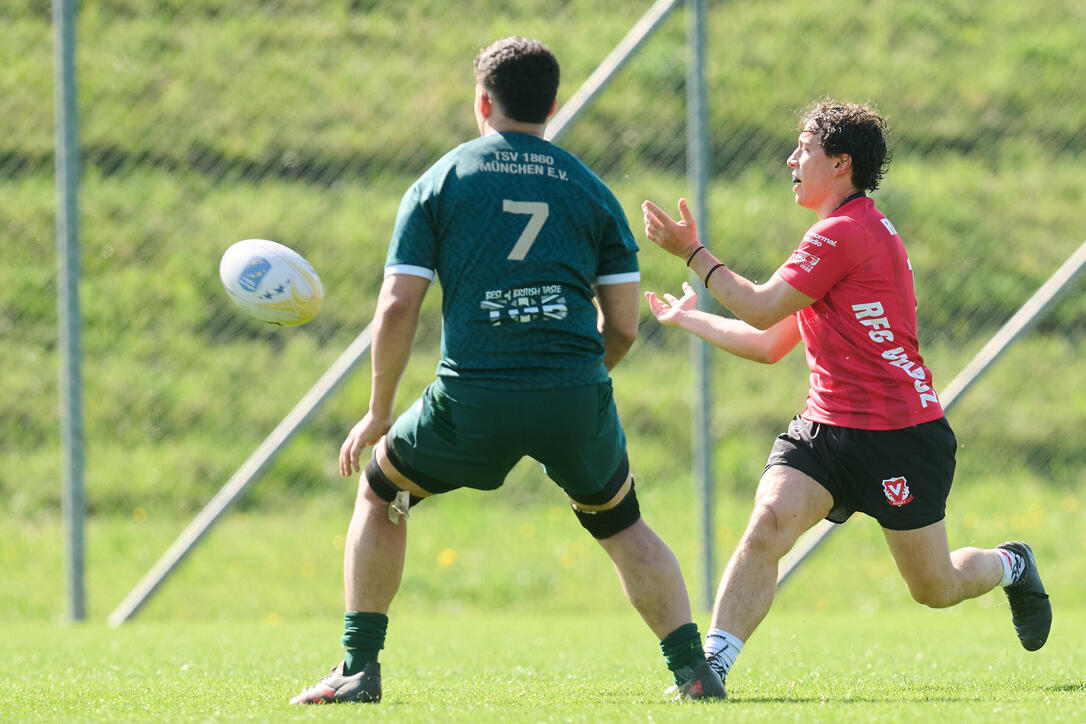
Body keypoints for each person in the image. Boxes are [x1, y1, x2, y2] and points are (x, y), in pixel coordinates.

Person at [290, 36, 724, 705]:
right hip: (575, 393)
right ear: (552, 104)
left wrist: (379, 411)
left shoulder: (440, 182)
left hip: (473, 397)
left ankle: (358, 668)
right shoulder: (592, 191)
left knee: (382, 495)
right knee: (621, 522)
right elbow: (627, 324)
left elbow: (399, 302)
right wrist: (582, 377)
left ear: (482, 101)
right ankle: (693, 672)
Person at [641, 99, 1052, 695]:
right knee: (767, 525)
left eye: (803, 148)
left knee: (934, 588)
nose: (791, 158)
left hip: (901, 437)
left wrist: (692, 255)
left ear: (840, 163)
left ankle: (1011, 563)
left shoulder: (845, 234)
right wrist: (688, 320)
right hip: (827, 431)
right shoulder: (834, 234)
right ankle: (710, 671)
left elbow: (758, 304)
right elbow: (768, 341)